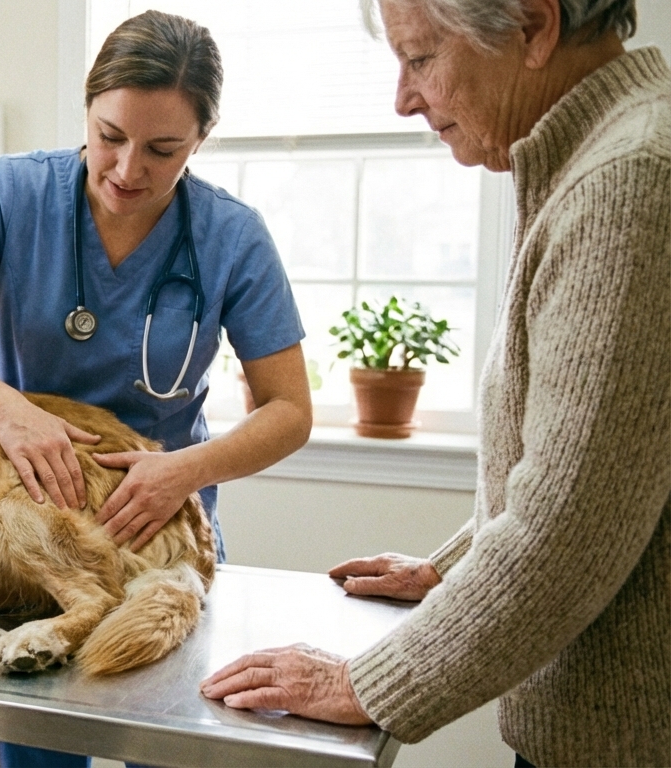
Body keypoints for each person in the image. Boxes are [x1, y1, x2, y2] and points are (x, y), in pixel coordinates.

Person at [201, 0, 670, 765]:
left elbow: (567, 539)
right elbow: (599, 468)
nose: (402, 98)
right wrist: (449, 569)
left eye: (420, 58)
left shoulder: (625, 186)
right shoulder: (602, 159)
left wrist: (365, 685)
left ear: (533, 26)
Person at [0, 10, 313, 767]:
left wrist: (187, 471)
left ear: (200, 141)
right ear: (86, 110)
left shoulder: (231, 238)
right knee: (40, 748)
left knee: (160, 741)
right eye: (110, 135)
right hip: (32, 526)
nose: (126, 169)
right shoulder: (16, 195)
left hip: (158, 525)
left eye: (162, 149)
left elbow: (290, 409)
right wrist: (10, 412)